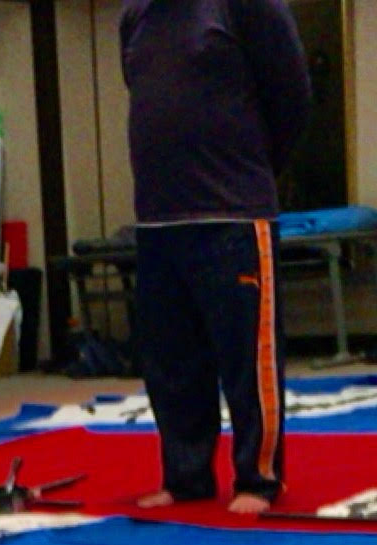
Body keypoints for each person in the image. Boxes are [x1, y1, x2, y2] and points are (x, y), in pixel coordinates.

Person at [120, 0, 311, 514]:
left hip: (232, 212)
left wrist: (249, 173)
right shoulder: (137, 15)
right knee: (171, 362)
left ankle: (259, 477)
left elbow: (292, 98)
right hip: (158, 219)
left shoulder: (247, 6)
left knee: (247, 357)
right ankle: (186, 476)